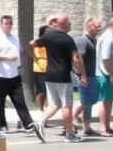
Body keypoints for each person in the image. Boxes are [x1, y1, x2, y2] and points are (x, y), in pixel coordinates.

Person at [0, 15, 44, 141]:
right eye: (6, 23)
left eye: (10, 23)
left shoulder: (14, 38)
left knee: (20, 100)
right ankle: (1, 125)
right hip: (0, 75)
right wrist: (7, 58)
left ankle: (28, 123)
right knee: (0, 102)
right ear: (1, 24)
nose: (8, 25)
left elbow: (19, 52)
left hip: (14, 74)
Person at [33, 13, 86, 143]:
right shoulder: (67, 39)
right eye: (68, 22)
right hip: (63, 76)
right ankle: (69, 134)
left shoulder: (47, 36)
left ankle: (40, 122)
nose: (70, 24)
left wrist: (34, 58)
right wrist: (82, 74)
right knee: (67, 105)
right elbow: (76, 58)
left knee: (55, 103)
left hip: (49, 74)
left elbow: (32, 43)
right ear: (63, 24)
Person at [73, 17, 103, 136]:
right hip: (84, 75)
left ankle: (87, 127)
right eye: (97, 26)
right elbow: (78, 59)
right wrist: (83, 75)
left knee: (90, 102)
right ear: (90, 26)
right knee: (86, 100)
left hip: (92, 74)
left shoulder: (94, 40)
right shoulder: (83, 40)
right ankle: (71, 118)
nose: (99, 28)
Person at [31, 24, 49, 114]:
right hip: (40, 67)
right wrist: (34, 58)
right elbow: (30, 46)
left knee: (48, 89)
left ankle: (47, 108)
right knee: (41, 89)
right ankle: (40, 109)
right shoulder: (38, 41)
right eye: (46, 31)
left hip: (50, 67)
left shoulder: (50, 41)